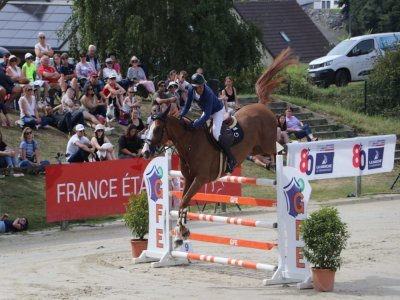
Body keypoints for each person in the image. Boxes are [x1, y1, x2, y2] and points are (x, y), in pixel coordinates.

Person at [179, 73, 236, 173]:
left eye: (202, 86)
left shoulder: (208, 92)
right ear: (194, 87)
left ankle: (231, 159)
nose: (201, 89)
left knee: (215, 132)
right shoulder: (191, 91)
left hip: (217, 111)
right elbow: (187, 106)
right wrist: (181, 115)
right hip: (207, 111)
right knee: (199, 130)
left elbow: (207, 115)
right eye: (199, 87)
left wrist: (195, 124)